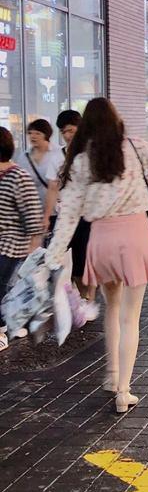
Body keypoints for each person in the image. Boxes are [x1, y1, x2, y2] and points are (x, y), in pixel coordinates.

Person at [46, 98, 148, 413]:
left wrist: (53, 256)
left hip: (102, 239)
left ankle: (112, 375)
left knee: (113, 308)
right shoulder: (135, 147)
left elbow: (69, 215)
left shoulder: (80, 161)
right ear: (115, 121)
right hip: (136, 235)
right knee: (131, 317)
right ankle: (124, 391)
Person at [0, 128, 44, 352]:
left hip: (11, 244)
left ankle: (2, 333)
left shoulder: (18, 176)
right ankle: (12, 323)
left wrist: (31, 250)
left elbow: (33, 216)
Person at [56, 109, 97, 317]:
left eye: (71, 130)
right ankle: (80, 300)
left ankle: (88, 299)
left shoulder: (90, 153)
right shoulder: (59, 155)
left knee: (83, 261)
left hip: (87, 217)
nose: (67, 135)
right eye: (63, 132)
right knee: (68, 263)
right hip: (66, 216)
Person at [21, 119, 65, 238]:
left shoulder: (59, 154)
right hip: (32, 212)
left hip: (56, 211)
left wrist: (47, 216)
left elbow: (56, 186)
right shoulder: (24, 157)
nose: (33, 136)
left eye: (37, 133)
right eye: (30, 133)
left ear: (46, 135)